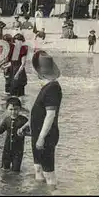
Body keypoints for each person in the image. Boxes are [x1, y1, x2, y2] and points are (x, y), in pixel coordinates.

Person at [18, 51, 62, 187]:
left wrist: (41, 137)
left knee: (49, 172)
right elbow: (40, 112)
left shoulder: (53, 88)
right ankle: (39, 195)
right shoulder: (47, 87)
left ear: (40, 72)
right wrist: (28, 125)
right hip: (37, 132)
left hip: (46, 135)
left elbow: (50, 115)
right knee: (38, 168)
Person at [0, 97, 29, 172]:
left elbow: (31, 132)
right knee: (4, 169)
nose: (13, 112)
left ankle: (15, 182)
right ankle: (5, 182)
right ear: (7, 109)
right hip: (6, 150)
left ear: (20, 109)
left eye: (16, 109)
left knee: (16, 171)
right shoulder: (7, 120)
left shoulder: (24, 120)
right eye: (11, 109)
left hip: (18, 150)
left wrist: (24, 133)